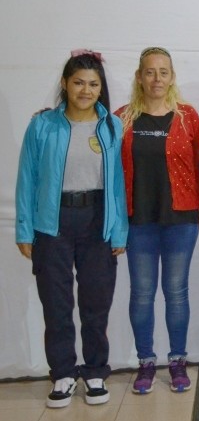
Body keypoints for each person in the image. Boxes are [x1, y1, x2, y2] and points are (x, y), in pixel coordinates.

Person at [15, 50, 128, 408]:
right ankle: (63, 373)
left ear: (100, 88)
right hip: (53, 224)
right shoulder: (43, 125)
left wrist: (120, 231)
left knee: (96, 302)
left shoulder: (111, 125)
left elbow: (118, 185)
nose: (85, 90)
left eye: (93, 84)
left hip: (98, 222)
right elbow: (27, 179)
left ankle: (95, 371)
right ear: (65, 84)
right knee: (57, 304)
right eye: (78, 82)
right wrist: (24, 229)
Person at [116, 47, 199, 394]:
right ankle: (146, 362)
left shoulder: (188, 117)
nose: (157, 79)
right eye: (150, 72)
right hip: (138, 220)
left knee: (176, 292)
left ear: (172, 77)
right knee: (141, 293)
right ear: (139, 77)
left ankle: (178, 361)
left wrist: (198, 204)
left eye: (163, 72)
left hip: (179, 218)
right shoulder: (122, 118)